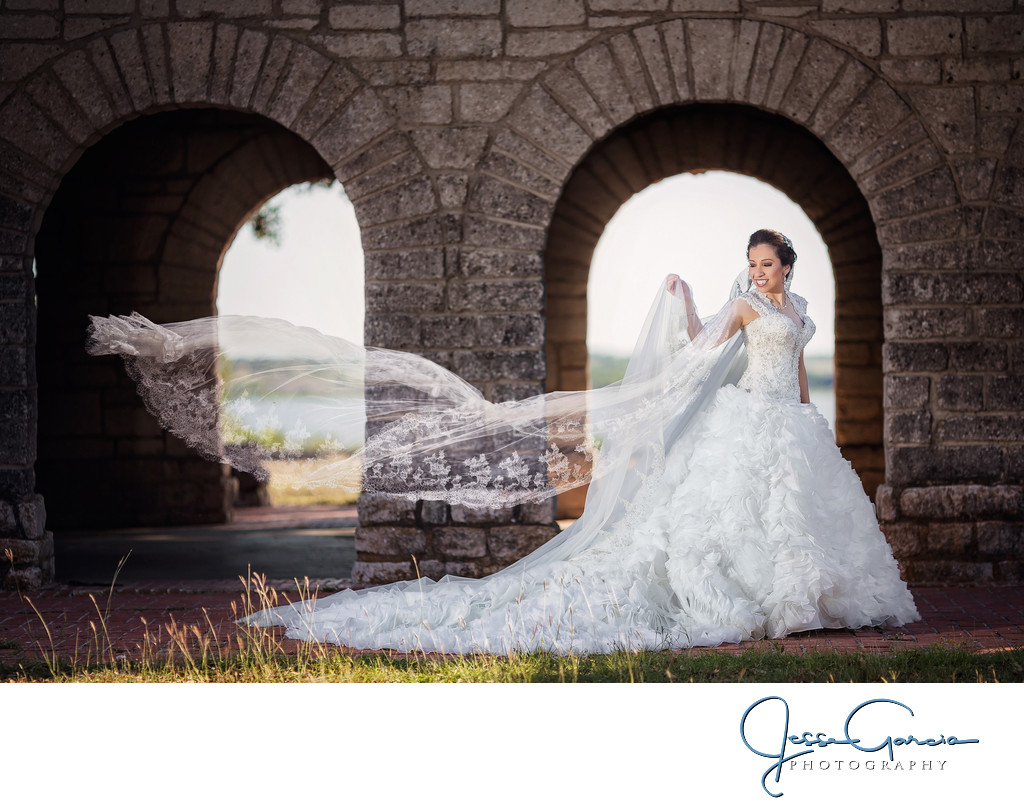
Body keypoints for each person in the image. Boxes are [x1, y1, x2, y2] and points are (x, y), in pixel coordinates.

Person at [86, 229, 919, 654]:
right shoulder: (742, 307)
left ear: (789, 269)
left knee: (797, 515)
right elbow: (703, 346)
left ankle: (808, 603)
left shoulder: (799, 315)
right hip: (746, 419)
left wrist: (813, 417)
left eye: (769, 265)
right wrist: (687, 300)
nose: (762, 274)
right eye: (753, 264)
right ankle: (765, 607)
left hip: (788, 421)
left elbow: (799, 373)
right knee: (733, 518)